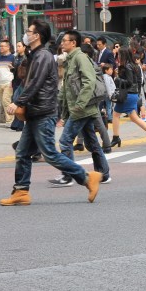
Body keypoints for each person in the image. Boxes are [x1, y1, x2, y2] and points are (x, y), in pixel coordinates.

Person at [0, 20, 103, 206]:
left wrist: (18, 102)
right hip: (35, 113)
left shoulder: (43, 56)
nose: (26, 34)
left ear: (37, 35)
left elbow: (36, 83)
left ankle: (87, 178)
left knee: (49, 154)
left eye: (29, 31)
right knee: (23, 152)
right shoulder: (35, 55)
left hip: (43, 113)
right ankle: (21, 191)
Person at [50, 30, 110, 187]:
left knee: (65, 141)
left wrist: (79, 105)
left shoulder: (80, 58)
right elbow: (67, 87)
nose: (62, 43)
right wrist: (62, 107)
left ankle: (68, 175)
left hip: (81, 109)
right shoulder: (71, 59)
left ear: (73, 43)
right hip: (81, 108)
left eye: (65, 41)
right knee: (92, 143)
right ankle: (103, 174)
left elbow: (89, 82)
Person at [110, 49, 146, 147]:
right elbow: (137, 81)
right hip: (133, 95)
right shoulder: (134, 66)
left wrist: (117, 79)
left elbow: (129, 82)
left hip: (127, 95)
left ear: (123, 55)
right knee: (134, 118)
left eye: (119, 55)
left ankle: (116, 137)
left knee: (116, 115)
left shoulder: (127, 66)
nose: (118, 57)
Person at [0, 40, 15, 125]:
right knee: (1, 101)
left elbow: (15, 70)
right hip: (0, 82)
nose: (1, 48)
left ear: (8, 47)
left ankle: (10, 120)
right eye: (0, 46)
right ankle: (3, 119)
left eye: (3, 46)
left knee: (6, 100)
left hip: (9, 81)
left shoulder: (13, 58)